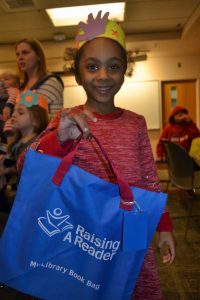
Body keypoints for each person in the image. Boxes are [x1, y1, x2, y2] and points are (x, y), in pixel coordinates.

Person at [18, 11, 175, 299]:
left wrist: (163, 226)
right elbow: (25, 165)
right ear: (78, 73)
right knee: (88, 286)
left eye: (113, 66)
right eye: (92, 67)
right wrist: (60, 139)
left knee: (138, 283)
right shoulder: (66, 120)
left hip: (134, 222)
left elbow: (150, 179)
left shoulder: (136, 122)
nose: (103, 76)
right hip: (86, 230)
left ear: (124, 71)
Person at [0, 90, 49, 211]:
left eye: (20, 112)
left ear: (36, 120)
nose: (13, 114)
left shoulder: (37, 145)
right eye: (14, 110)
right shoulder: (20, 142)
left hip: (29, 201)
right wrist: (6, 170)